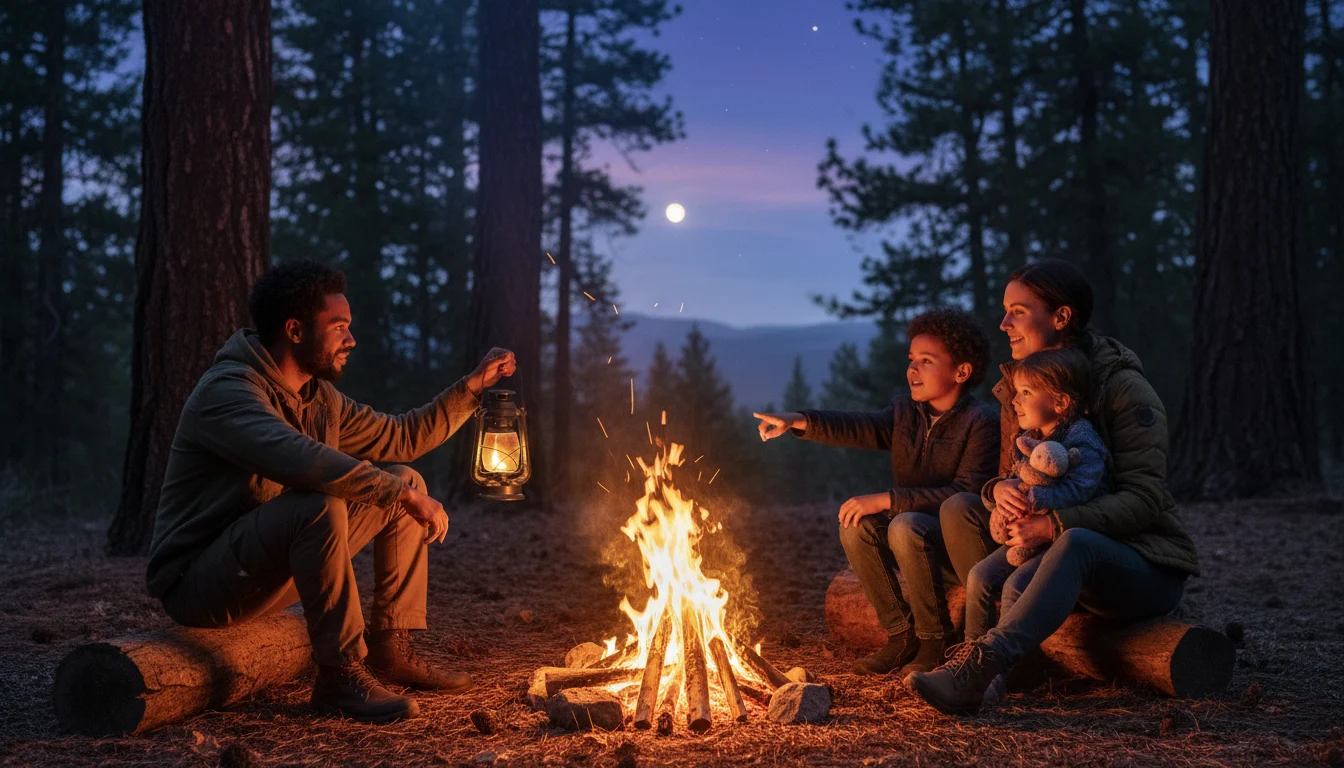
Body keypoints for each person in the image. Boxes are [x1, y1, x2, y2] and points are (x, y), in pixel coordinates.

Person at [146, 260, 517, 724]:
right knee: (324, 501)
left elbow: (399, 436)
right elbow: (301, 459)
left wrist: (472, 387)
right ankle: (339, 676)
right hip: (203, 586)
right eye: (339, 327)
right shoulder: (228, 393)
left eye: (350, 327)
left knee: (405, 478)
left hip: (265, 573)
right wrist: (397, 497)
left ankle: (390, 648)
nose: (351, 339)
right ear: (296, 330)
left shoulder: (318, 398)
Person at [910, 259, 1200, 715]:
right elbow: (1018, 470)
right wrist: (998, 493)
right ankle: (994, 655)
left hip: (1139, 564)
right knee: (963, 507)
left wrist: (1056, 523)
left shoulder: (1124, 390)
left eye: (1018, 312)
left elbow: (1145, 500)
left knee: (1077, 542)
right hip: (1050, 551)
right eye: (1005, 311)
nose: (1004, 323)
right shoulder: (1023, 387)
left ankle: (984, 664)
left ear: (1061, 318)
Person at [754, 308, 998, 676]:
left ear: (961, 372)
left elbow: (965, 493)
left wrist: (888, 499)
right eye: (911, 360)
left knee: (903, 524)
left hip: (956, 546)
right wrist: (797, 421)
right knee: (856, 524)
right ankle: (902, 637)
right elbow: (859, 426)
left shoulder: (981, 422)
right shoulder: (906, 413)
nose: (912, 369)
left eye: (926, 361)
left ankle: (935, 641)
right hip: (912, 542)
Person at [962, 347, 1109, 646]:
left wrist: (1033, 498)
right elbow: (1012, 480)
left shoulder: (1082, 439)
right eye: (1016, 392)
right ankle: (970, 654)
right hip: (1028, 538)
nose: (1014, 401)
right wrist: (1000, 492)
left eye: (1025, 392)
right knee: (979, 577)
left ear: (1060, 402)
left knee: (1016, 585)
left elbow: (1081, 490)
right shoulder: (1027, 439)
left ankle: (996, 669)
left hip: (1062, 541)